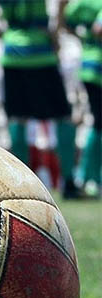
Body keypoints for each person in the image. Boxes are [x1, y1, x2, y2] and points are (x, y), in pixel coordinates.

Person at [0, 0, 80, 198]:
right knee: (62, 117)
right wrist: (55, 31)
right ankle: (69, 182)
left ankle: (23, 188)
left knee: (17, 118)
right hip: (42, 54)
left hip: (12, 55)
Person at [63, 0, 102, 195]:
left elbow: (65, 21)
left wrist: (82, 39)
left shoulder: (81, 3)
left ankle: (89, 177)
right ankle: (91, 177)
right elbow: (99, 28)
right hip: (99, 68)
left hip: (88, 65)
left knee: (97, 122)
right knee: (99, 124)